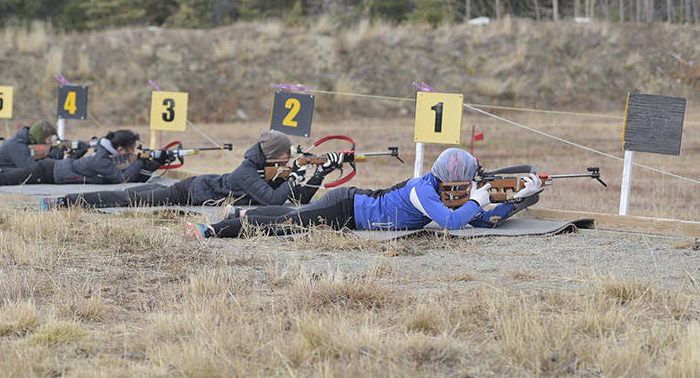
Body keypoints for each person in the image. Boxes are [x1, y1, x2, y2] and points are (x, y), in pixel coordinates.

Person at [186, 147, 545, 239]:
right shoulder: (424, 192)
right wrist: (478, 200)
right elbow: (453, 222)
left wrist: (516, 198)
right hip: (347, 209)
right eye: (466, 183)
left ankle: (238, 216)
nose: (468, 188)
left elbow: (479, 221)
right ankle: (213, 230)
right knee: (288, 225)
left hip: (354, 208)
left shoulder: (437, 187)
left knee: (289, 219)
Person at [43, 130, 344, 210]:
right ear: (275, 155)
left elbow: (300, 198)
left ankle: (67, 201)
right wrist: (294, 175)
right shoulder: (246, 172)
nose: (289, 160)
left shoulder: (264, 170)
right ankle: (65, 201)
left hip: (196, 192)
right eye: (285, 157)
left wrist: (319, 173)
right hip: (189, 191)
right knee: (127, 198)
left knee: (132, 194)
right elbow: (276, 201)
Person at [0, 129, 162, 190]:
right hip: (46, 172)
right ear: (121, 148)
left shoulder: (105, 155)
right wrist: (142, 163)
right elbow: (120, 179)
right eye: (131, 149)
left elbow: (122, 173)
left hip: (51, 170)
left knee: (5, 176)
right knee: (4, 178)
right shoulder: (102, 160)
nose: (133, 152)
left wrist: (148, 164)